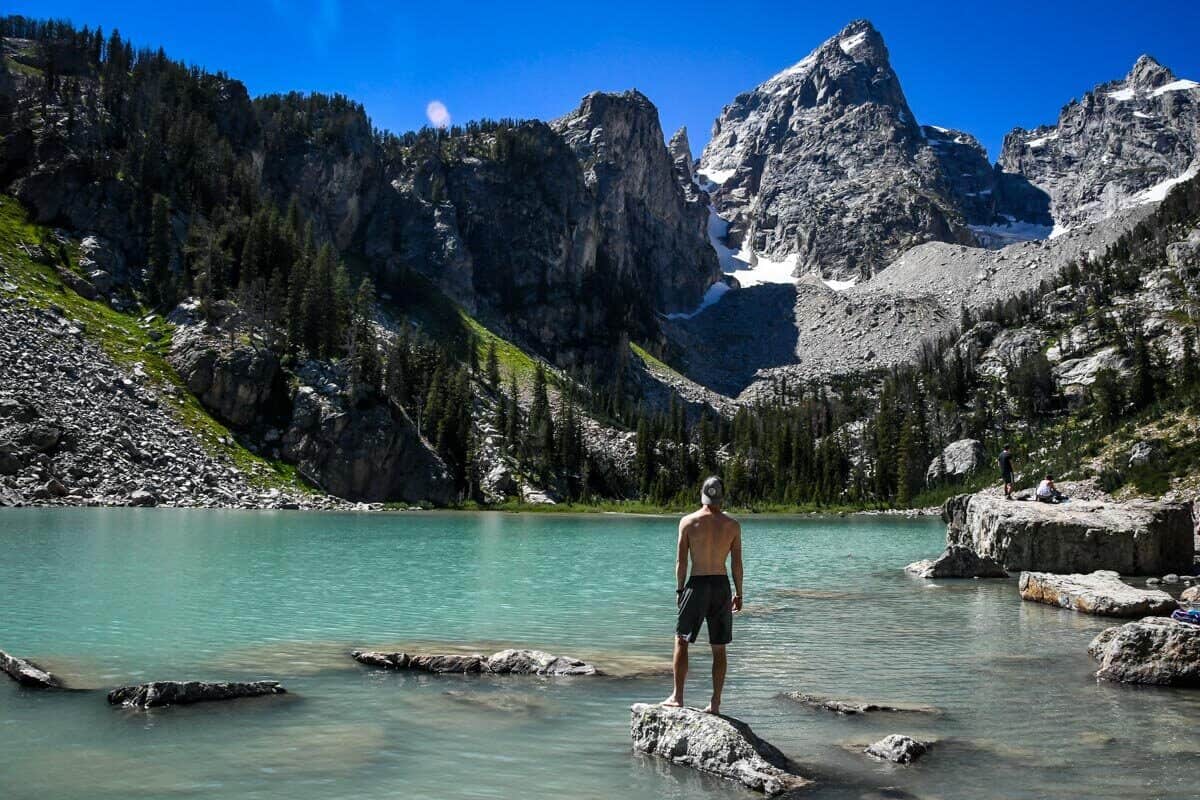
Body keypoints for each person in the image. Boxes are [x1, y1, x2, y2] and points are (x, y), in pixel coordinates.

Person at [662, 476, 743, 715]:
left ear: (702, 495)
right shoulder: (732, 525)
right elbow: (737, 564)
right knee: (719, 647)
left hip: (696, 585)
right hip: (721, 585)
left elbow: (681, 562)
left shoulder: (688, 522)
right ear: (722, 496)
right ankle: (715, 703)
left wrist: (679, 590)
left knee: (681, 640)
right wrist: (739, 593)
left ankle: (678, 697)